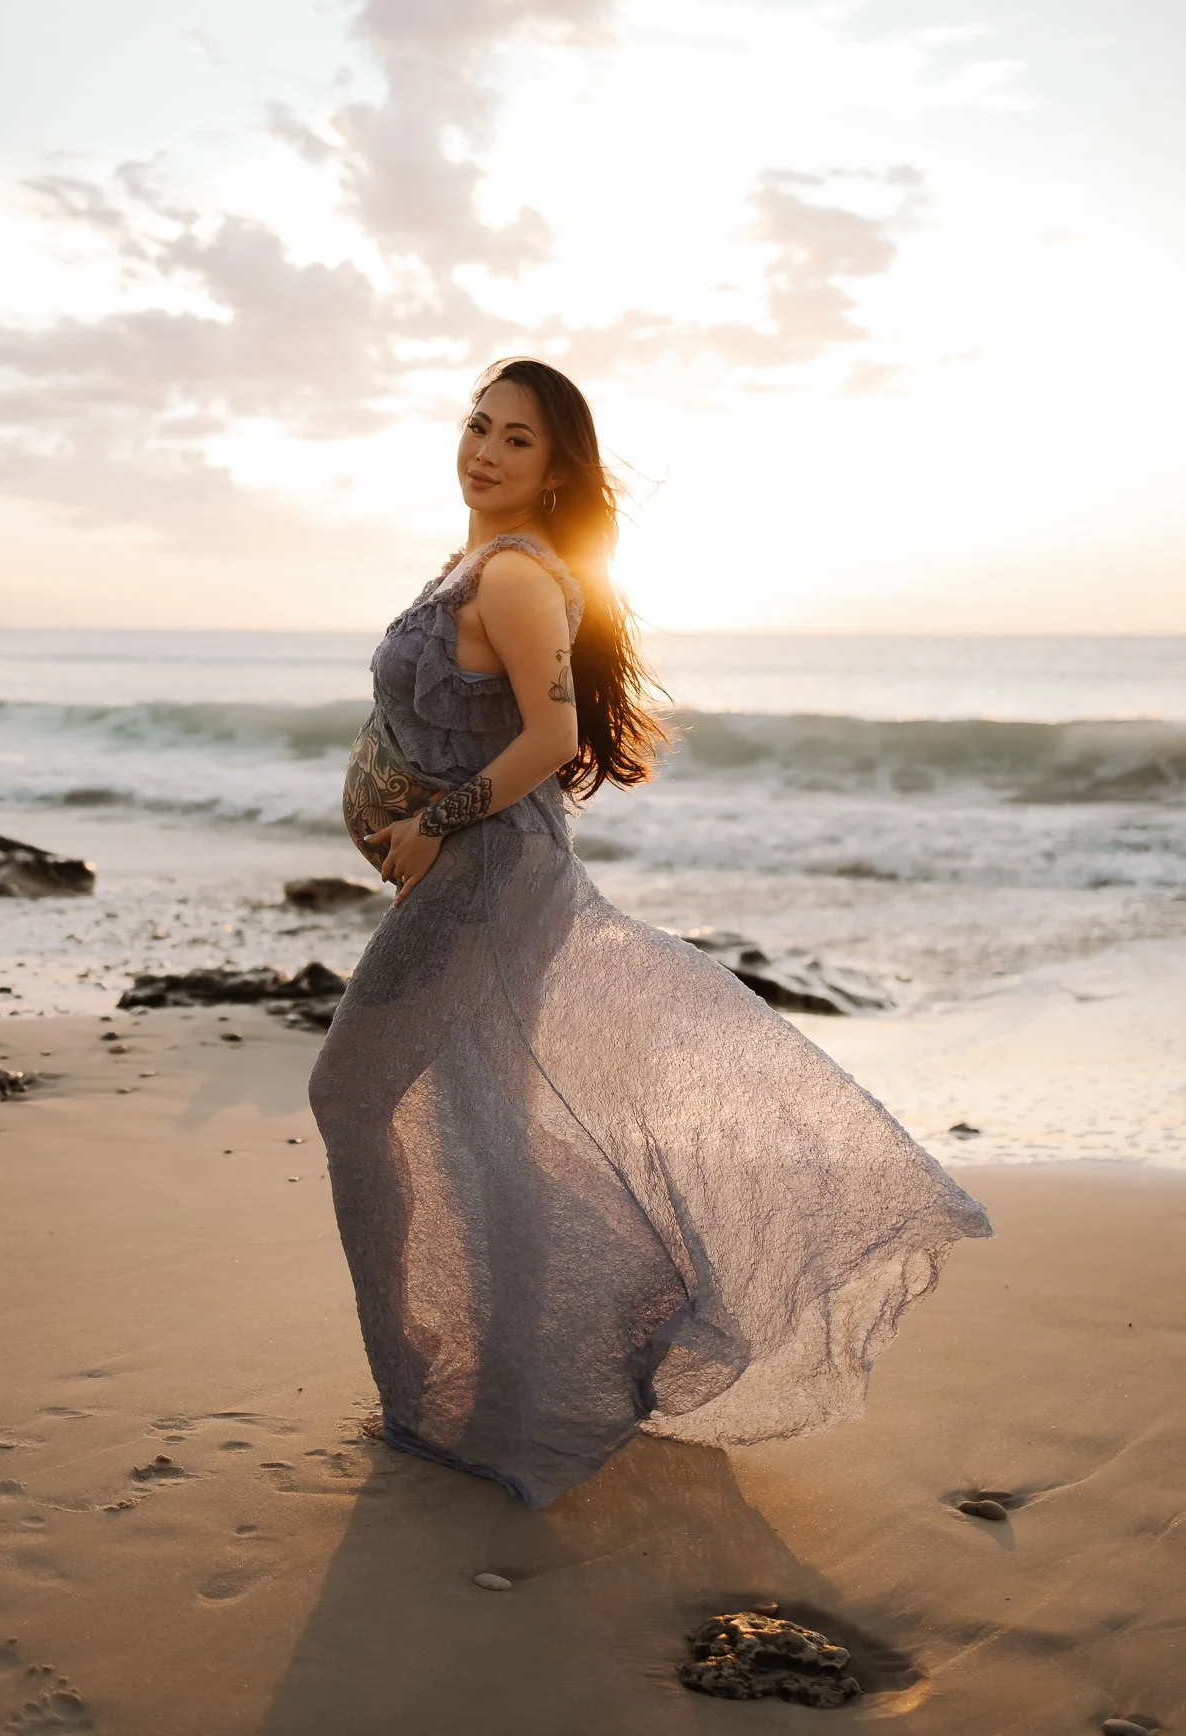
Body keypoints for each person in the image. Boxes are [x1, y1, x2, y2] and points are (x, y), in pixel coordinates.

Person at [309, 357, 990, 1509]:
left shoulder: (518, 575)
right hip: (470, 877)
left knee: (351, 1093)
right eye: (477, 424)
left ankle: (441, 1368)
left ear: (554, 467)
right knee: (494, 1120)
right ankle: (514, 1370)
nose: (484, 449)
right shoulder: (481, 560)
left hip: (487, 876)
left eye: (516, 439)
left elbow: (551, 735)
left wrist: (430, 824)